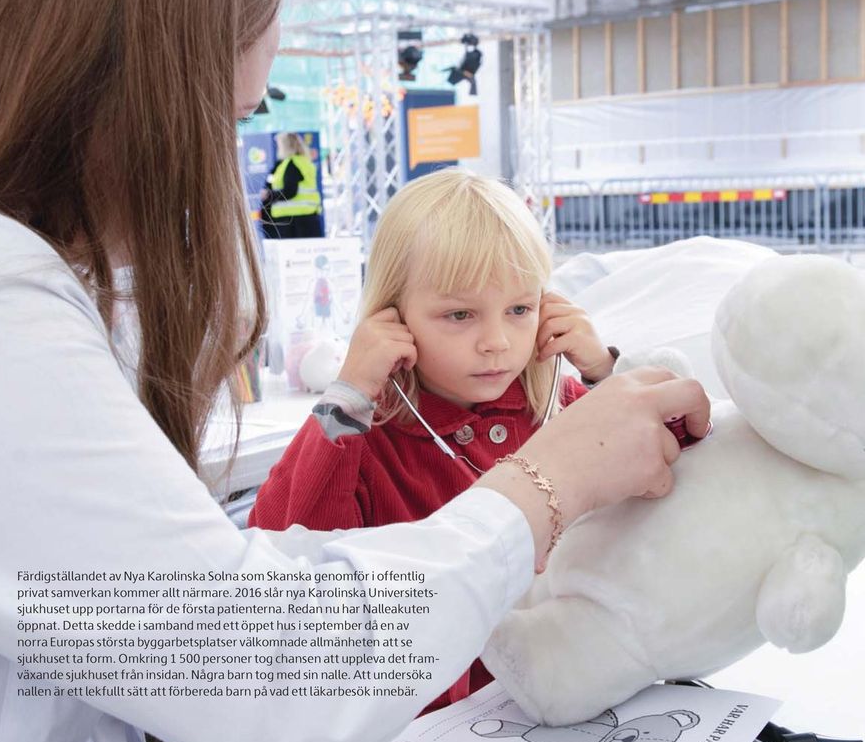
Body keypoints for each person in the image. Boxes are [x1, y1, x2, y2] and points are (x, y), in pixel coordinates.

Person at [0, 0, 709, 742]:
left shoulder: (1, 285)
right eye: (226, 116)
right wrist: (544, 483)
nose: (218, 162)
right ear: (139, 104)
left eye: (517, 309)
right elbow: (259, 663)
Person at [249, 169, 620, 707]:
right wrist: (349, 394)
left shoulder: (564, 404)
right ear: (392, 316)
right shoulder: (365, 436)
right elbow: (283, 551)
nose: (496, 342)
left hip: (577, 699)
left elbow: (679, 486)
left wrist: (607, 377)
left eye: (520, 309)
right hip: (434, 731)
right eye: (459, 314)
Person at [259, 131, 324, 239]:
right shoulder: (303, 162)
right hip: (306, 218)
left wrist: (269, 195)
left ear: (286, 145)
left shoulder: (292, 164)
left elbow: (290, 191)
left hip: (294, 223)